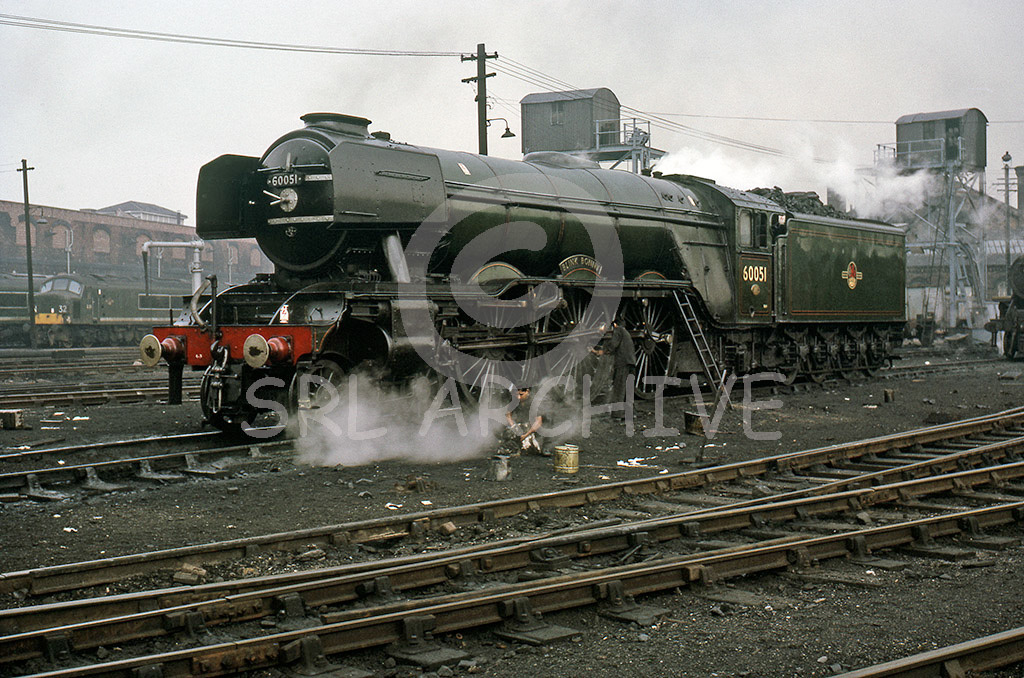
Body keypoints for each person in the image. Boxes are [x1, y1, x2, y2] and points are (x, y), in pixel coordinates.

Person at [593, 317, 636, 419]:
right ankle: (631, 413)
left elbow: (613, 344)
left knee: (619, 389)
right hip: (631, 363)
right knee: (628, 390)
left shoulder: (618, 330)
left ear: (615, 325)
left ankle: (617, 415)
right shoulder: (626, 333)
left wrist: (601, 351)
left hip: (622, 363)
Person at [504, 386, 548, 456]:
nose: (518, 397)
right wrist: (513, 426)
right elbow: (508, 415)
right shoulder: (514, 400)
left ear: (527, 391)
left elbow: (538, 422)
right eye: (517, 395)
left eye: (521, 395)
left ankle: (545, 447)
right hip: (522, 424)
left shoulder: (535, 402)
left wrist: (526, 434)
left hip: (535, 427)